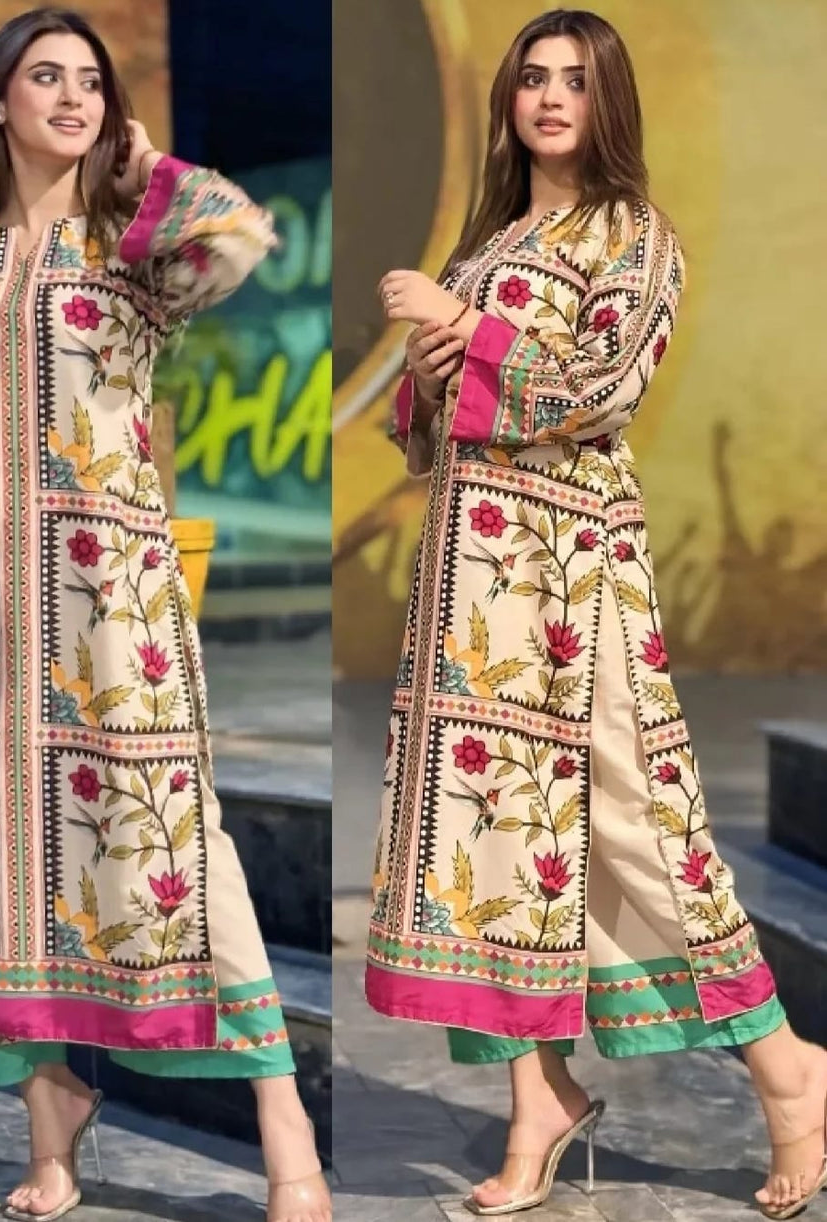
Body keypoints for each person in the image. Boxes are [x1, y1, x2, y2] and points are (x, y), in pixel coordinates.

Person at [0, 9, 331, 1222]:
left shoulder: (132, 250)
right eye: (44, 77)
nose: (71, 96)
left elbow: (239, 234)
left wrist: (142, 162)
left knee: (172, 845)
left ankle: (284, 1124)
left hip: (110, 595)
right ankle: (50, 1115)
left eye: (91, 82)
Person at [365, 8, 825, 1218]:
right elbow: (429, 435)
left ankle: (790, 1071)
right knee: (491, 841)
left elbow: (601, 390)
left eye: (577, 78)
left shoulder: (636, 236)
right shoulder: (488, 243)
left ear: (609, 100)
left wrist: (463, 329)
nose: (552, 96)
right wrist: (425, 379)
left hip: (574, 577)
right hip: (472, 586)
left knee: (640, 825)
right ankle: (540, 1099)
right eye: (533, 77)